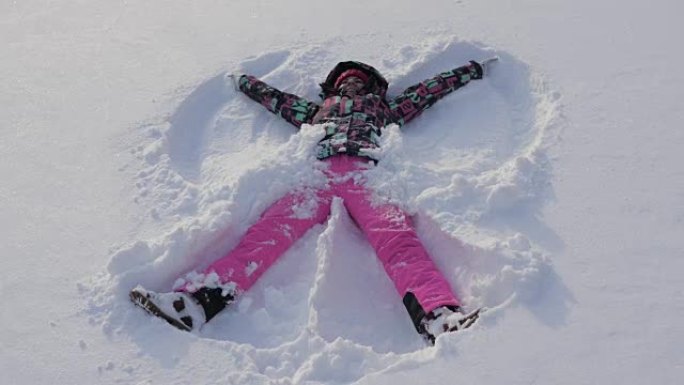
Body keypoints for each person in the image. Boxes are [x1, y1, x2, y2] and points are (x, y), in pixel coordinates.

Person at [130, 57, 497, 344]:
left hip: (365, 175)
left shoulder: (385, 110)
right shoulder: (315, 112)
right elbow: (278, 101)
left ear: (371, 86)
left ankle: (438, 314)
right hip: (315, 179)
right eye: (344, 80)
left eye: (358, 79)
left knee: (398, 241)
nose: (351, 82)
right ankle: (193, 303)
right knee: (264, 237)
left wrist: (471, 70)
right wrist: (245, 83)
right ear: (333, 88)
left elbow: (427, 91)